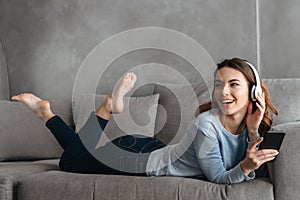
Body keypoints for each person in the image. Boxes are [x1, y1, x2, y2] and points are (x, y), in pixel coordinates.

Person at [12, 57, 279, 184]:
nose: (224, 92)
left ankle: (47, 112)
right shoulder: (207, 125)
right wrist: (245, 166)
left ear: (253, 90)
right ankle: (105, 107)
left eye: (234, 84)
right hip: (139, 160)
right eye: (219, 85)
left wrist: (254, 131)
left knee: (77, 154)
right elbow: (219, 177)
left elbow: (261, 169)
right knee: (70, 162)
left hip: (148, 149)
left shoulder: (251, 123)